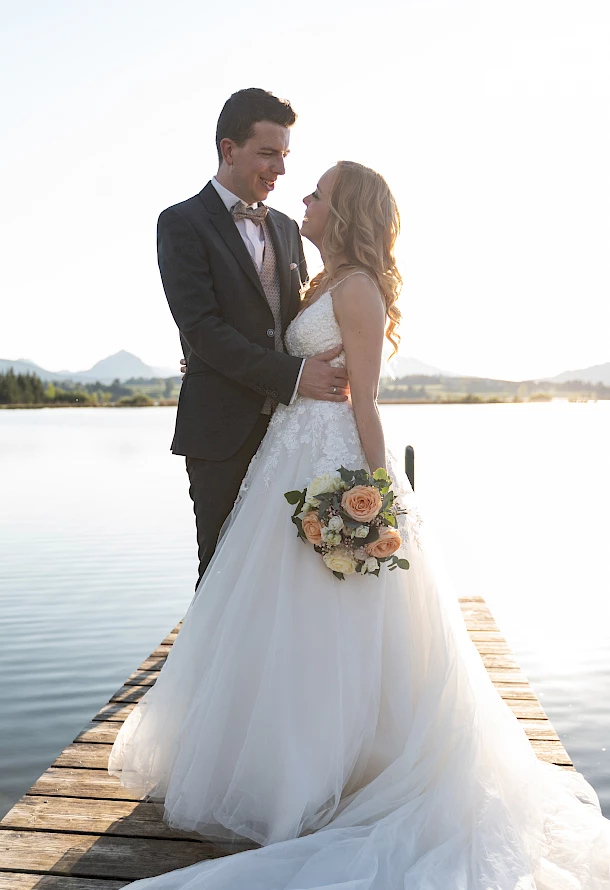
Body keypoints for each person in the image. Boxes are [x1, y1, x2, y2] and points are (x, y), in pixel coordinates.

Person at [109, 161, 610, 888]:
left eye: (317, 193)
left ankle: (330, 767)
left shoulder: (359, 289)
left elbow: (366, 404)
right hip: (285, 461)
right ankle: (278, 760)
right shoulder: (319, 279)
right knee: (280, 617)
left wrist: (378, 492)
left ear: (343, 213)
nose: (301, 199)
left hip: (331, 467)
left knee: (331, 618)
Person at [158, 88, 349, 588]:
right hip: (221, 433)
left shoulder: (287, 228)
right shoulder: (181, 223)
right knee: (221, 576)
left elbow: (295, 320)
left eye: (284, 155)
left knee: (288, 577)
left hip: (292, 434)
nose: (279, 170)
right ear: (229, 150)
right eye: (268, 153)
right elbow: (201, 328)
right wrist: (296, 376)